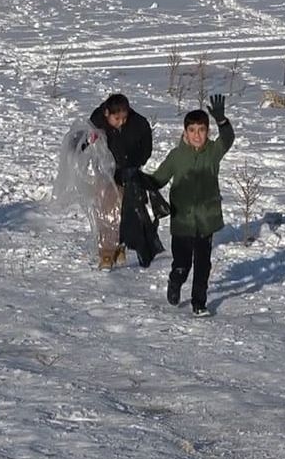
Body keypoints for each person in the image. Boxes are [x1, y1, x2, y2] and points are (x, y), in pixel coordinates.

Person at [144, 94, 234, 317]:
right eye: (192, 130)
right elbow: (158, 179)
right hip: (182, 221)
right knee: (182, 264)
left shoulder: (213, 152)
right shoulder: (176, 156)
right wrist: (139, 179)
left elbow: (228, 139)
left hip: (206, 221)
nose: (197, 135)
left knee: (203, 266)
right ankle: (175, 281)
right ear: (185, 133)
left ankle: (199, 303)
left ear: (207, 132)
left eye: (201, 130)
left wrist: (222, 121)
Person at [88, 93, 153, 269]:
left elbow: (146, 149)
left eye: (124, 118)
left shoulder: (139, 123)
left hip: (129, 173)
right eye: (117, 119)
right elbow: (84, 141)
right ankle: (106, 254)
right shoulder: (96, 121)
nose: (121, 122)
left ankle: (121, 245)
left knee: (124, 213)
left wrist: (135, 163)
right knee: (106, 214)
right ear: (107, 113)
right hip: (105, 174)